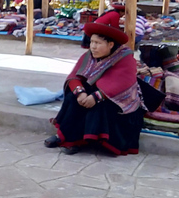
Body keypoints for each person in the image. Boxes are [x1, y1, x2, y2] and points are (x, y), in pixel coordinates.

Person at [45, 23, 145, 156]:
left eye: (98, 43)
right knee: (72, 98)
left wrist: (96, 97)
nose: (93, 46)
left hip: (118, 100)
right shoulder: (88, 56)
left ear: (110, 44)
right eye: (92, 41)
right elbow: (75, 76)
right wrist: (80, 93)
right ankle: (67, 138)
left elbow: (121, 84)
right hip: (94, 93)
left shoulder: (125, 58)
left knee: (100, 106)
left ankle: (87, 140)